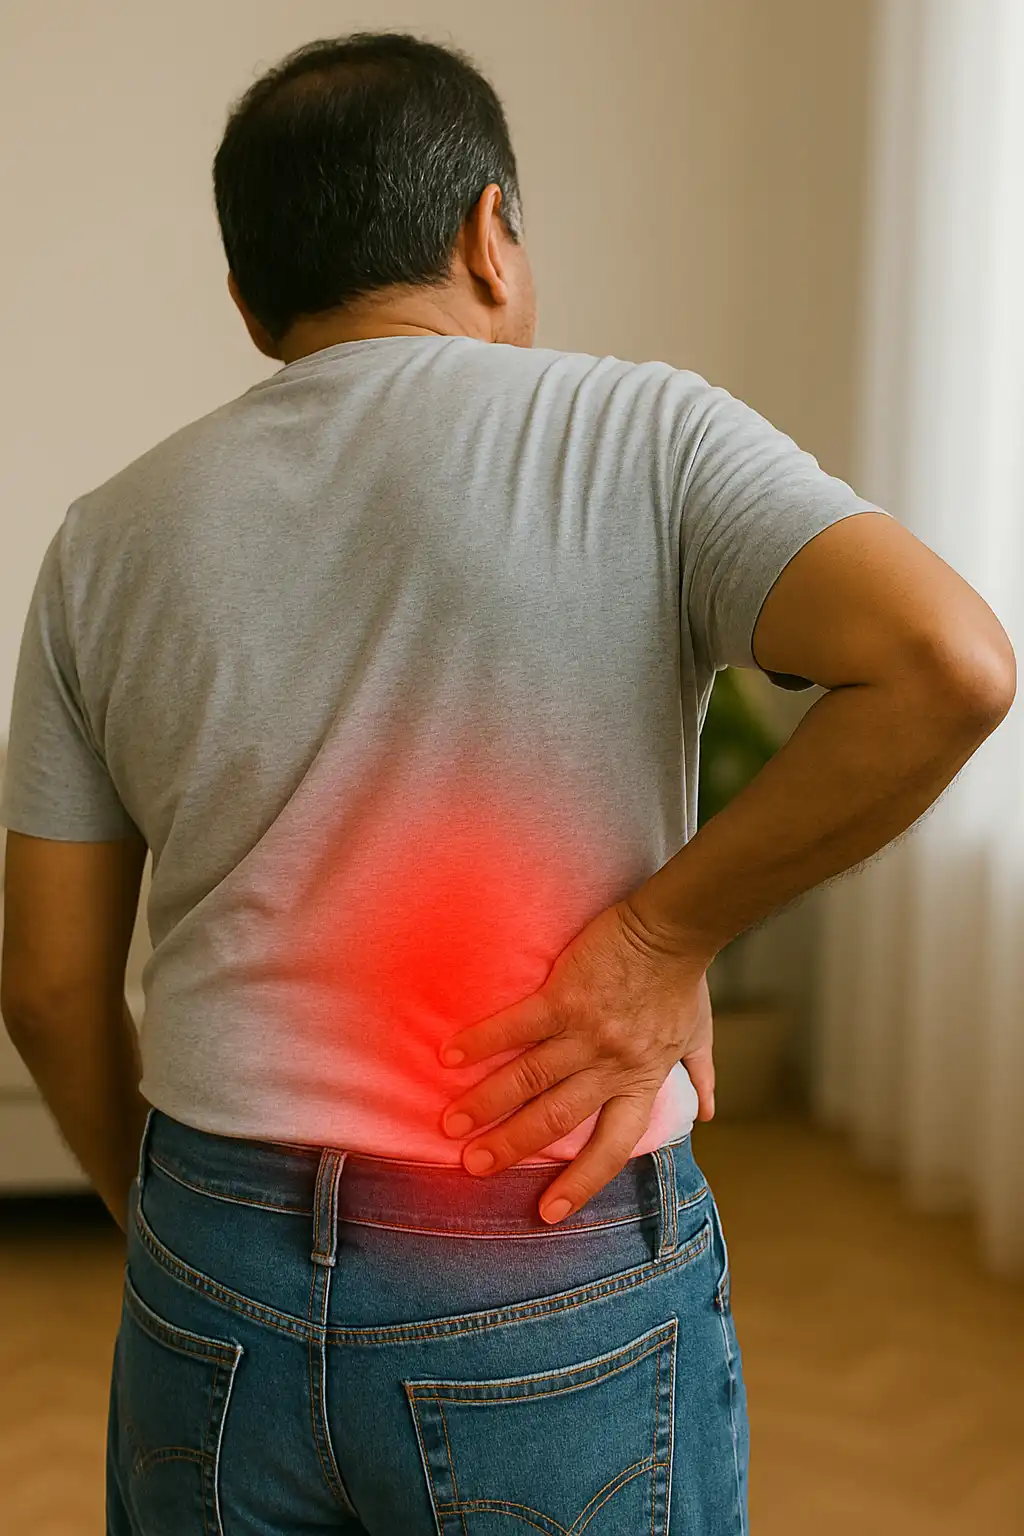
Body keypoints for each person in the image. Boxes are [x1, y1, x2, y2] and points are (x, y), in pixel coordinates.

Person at [0, 29, 1014, 1536]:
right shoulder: (641, 434)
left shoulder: (107, 537)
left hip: (208, 1253)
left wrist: (178, 1231)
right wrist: (661, 938)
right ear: (490, 231)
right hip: (534, 1239)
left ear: (248, 300)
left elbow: (51, 983)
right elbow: (951, 661)